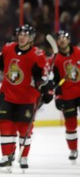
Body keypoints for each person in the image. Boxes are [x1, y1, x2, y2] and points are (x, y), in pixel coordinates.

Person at [0, 24, 54, 172]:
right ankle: (7, 156)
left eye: (25, 34)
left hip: (27, 98)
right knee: (5, 125)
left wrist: (45, 88)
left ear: (31, 38)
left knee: (24, 128)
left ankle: (23, 156)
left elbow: (41, 78)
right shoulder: (8, 48)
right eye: (20, 34)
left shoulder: (37, 54)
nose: (22, 36)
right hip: (7, 95)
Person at [52, 30, 79, 162]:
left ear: (69, 40)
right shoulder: (55, 59)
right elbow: (56, 81)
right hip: (68, 95)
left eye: (64, 38)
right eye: (59, 38)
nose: (62, 40)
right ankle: (73, 149)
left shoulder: (78, 53)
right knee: (70, 124)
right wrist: (58, 97)